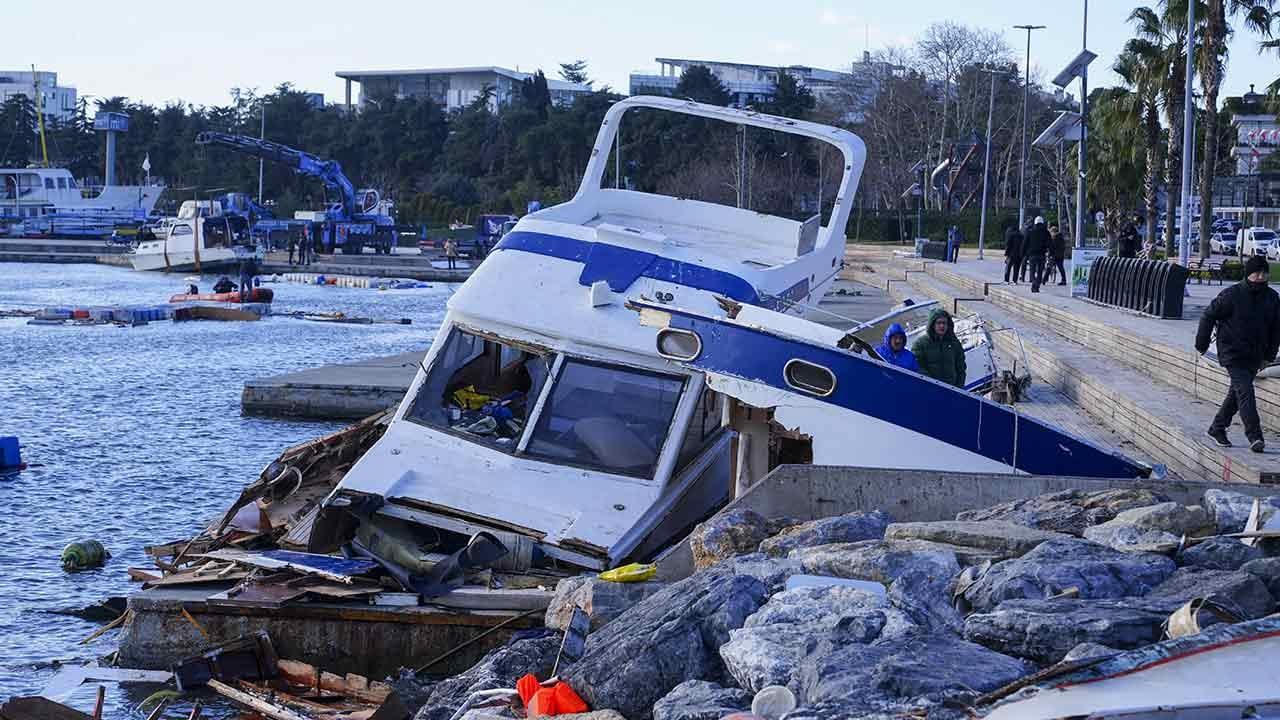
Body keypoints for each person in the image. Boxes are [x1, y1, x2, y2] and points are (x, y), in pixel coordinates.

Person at [1196, 255, 1280, 453]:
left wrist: (1269, 355)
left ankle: (1217, 428)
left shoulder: (1272, 298)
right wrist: (1202, 343)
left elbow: (1276, 330)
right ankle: (1255, 436)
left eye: (1264, 273)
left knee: (1236, 394)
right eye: (1256, 273)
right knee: (1245, 392)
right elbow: (1208, 316)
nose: (1260, 277)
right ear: (1247, 274)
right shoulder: (1231, 295)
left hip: (1255, 353)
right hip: (1232, 352)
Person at [911, 308, 967, 388]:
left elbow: (961, 367)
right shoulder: (920, 344)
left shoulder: (954, 342)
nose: (942, 326)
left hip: (952, 390)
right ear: (932, 324)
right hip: (930, 389)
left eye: (944, 323)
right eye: (939, 323)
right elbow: (918, 367)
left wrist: (959, 387)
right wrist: (932, 384)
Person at [1025, 216, 1050, 293]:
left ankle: (1034, 283)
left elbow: (1025, 243)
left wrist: (1023, 253)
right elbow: (1050, 244)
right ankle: (1037, 286)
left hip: (1032, 254)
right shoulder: (1046, 232)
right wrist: (1051, 253)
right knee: (1040, 271)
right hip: (1042, 254)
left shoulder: (1030, 231)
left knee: (1032, 271)